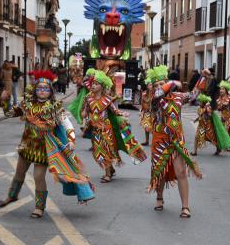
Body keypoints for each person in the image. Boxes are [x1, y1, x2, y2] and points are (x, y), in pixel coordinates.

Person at [0, 70, 94, 218]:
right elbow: (9, 114)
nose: (42, 91)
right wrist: (5, 101)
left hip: (43, 148)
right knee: (19, 173)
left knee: (38, 177)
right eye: (39, 88)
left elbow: (68, 125)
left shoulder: (55, 108)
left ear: (50, 91)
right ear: (35, 90)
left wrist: (71, 140)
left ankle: (39, 207)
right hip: (26, 145)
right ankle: (12, 195)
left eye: (45, 89)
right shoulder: (27, 104)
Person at [147, 65, 202, 218]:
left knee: (181, 172)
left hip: (177, 139)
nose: (159, 86)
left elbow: (194, 94)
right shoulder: (155, 99)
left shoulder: (178, 97)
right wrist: (172, 82)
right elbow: (160, 92)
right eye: (156, 84)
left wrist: (204, 77)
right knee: (160, 172)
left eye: (161, 83)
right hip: (160, 139)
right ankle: (159, 197)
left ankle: (185, 206)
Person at [81, 70, 147, 182]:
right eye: (93, 84)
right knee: (98, 152)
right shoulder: (88, 99)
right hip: (95, 130)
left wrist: (123, 114)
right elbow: (84, 113)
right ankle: (110, 169)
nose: (93, 86)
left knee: (106, 151)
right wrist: (84, 110)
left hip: (106, 129)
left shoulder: (107, 99)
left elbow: (115, 111)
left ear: (102, 87)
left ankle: (107, 174)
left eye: (96, 84)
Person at [139, 77, 154, 146]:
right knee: (146, 126)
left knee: (153, 127)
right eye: (149, 85)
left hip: (153, 113)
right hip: (146, 112)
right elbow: (141, 103)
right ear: (147, 86)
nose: (151, 86)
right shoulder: (144, 94)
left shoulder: (155, 94)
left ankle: (155, 141)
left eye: (151, 85)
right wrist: (141, 111)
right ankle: (147, 141)